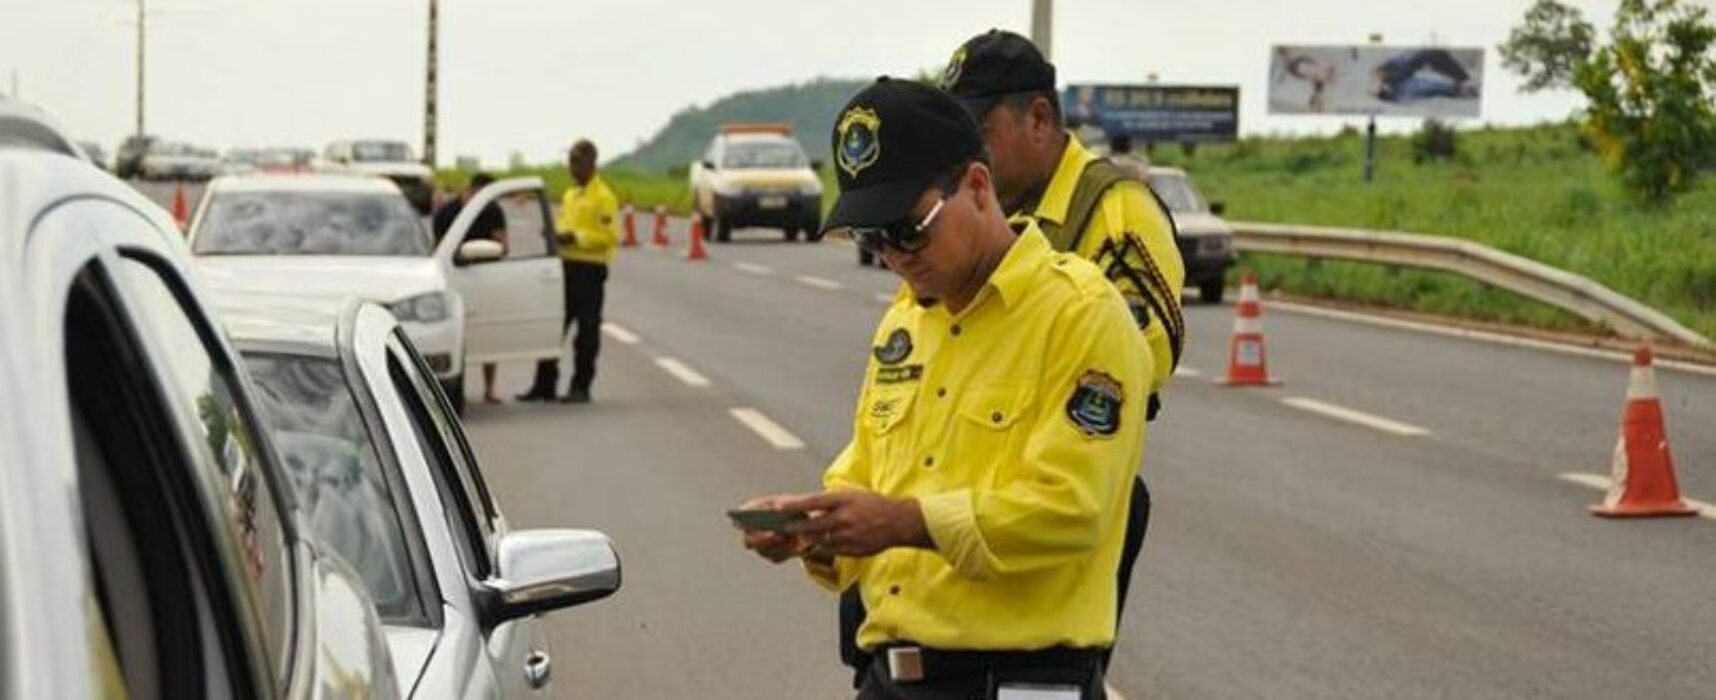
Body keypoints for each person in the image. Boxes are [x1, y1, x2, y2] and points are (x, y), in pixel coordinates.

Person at [738, 77, 1152, 700]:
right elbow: (867, 478)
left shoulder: (1081, 313)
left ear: (978, 187)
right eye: (871, 238)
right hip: (890, 677)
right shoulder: (907, 320)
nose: (894, 257)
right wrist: (813, 533)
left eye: (908, 229)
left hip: (1014, 681)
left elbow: (1073, 510)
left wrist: (905, 523)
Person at [517, 140, 618, 404]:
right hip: (564, 267)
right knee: (552, 326)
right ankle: (544, 384)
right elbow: (562, 225)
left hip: (589, 269)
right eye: (570, 162)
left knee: (587, 331)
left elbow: (608, 237)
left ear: (590, 163)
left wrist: (575, 237)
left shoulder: (603, 197)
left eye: (576, 162)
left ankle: (581, 386)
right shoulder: (571, 195)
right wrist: (554, 236)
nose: (572, 168)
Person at [429, 172, 508, 403]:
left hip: (486, 275)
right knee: (451, 332)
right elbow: (438, 248)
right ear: (469, 189)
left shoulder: (493, 211)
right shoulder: (446, 212)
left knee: (490, 329)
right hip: (453, 274)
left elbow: (503, 244)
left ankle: (489, 387)